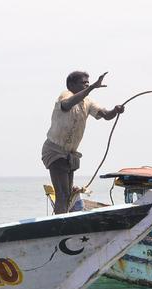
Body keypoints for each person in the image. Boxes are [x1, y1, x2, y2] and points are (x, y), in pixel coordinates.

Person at [42, 71, 125, 214]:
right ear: (71, 85)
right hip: (55, 150)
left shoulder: (88, 102)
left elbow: (105, 115)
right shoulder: (65, 95)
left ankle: (62, 220)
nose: (86, 84)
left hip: (70, 154)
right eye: (83, 82)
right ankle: (60, 225)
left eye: (88, 82)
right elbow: (67, 105)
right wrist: (92, 87)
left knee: (67, 195)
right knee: (62, 194)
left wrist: (115, 110)